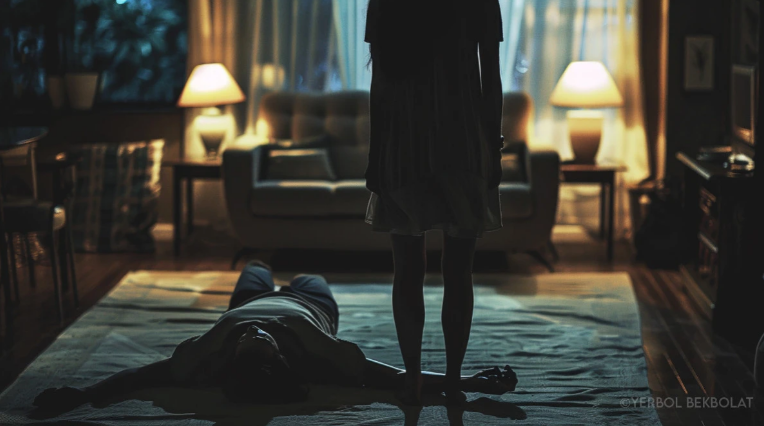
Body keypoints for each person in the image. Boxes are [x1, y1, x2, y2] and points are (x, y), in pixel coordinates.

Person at [33, 261, 517, 412]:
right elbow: (395, 377)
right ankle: (298, 277)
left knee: (255, 266)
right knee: (311, 275)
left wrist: (81, 394)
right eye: (261, 337)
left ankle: (261, 271)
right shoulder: (317, 350)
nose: (255, 330)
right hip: (312, 304)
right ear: (279, 357)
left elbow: (138, 377)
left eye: (247, 338)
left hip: (247, 297)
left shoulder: (209, 354)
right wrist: (469, 382)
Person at [363, 0, 506, 406]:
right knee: (459, 270)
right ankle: (453, 380)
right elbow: (491, 78)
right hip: (463, 139)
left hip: (404, 140)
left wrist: (376, 156)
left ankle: (413, 379)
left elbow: (380, 82)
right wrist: (493, 151)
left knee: (407, 269)